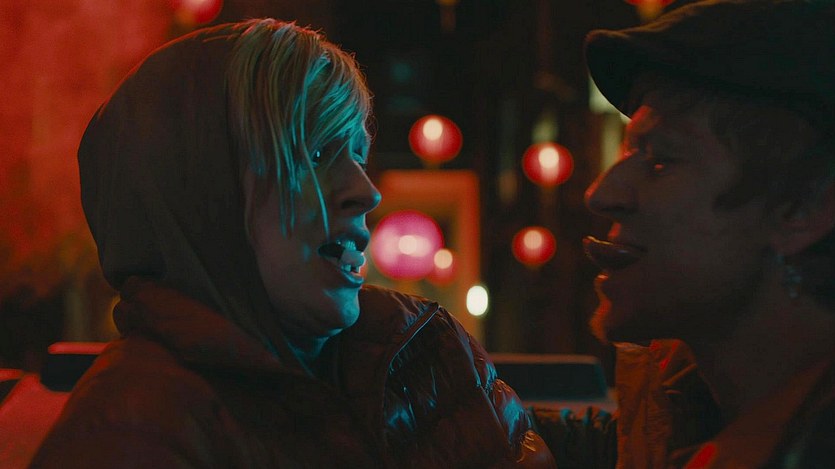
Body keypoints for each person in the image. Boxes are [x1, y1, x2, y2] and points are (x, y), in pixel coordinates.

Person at [30, 19, 555, 468]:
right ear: (203, 192)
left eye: (356, 155)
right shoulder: (130, 435)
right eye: (316, 154)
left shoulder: (417, 355)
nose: (366, 192)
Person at [581, 0, 835, 467]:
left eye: (661, 160)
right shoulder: (692, 410)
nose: (601, 194)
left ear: (802, 210)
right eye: (629, 152)